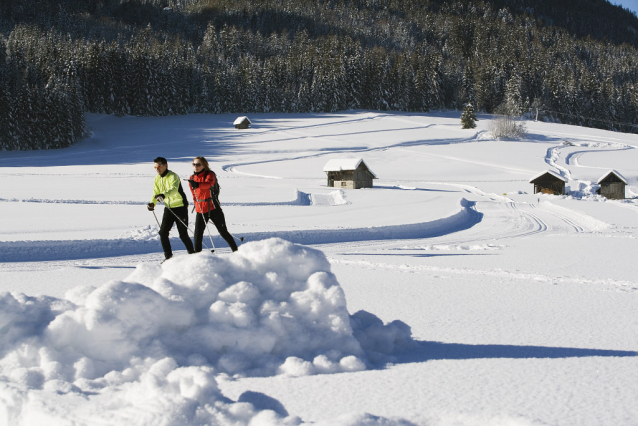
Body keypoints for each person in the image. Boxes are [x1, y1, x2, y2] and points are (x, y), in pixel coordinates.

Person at [147, 157, 195, 261]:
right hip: (169, 207)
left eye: (159, 166)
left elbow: (173, 190)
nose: (157, 169)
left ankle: (193, 255)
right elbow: (155, 193)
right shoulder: (157, 178)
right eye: (155, 167)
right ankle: (168, 257)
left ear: (165, 165)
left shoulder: (173, 176)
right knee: (163, 233)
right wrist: (152, 203)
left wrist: (163, 195)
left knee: (183, 234)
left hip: (180, 207)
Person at [187, 156, 238, 252]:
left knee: (223, 232)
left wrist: (198, 184)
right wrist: (197, 205)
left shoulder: (210, 174)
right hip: (200, 209)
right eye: (194, 164)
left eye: (198, 164)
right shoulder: (192, 178)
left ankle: (236, 251)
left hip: (213, 207)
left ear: (204, 165)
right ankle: (197, 257)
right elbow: (194, 194)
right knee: (197, 234)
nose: (195, 166)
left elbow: (209, 184)